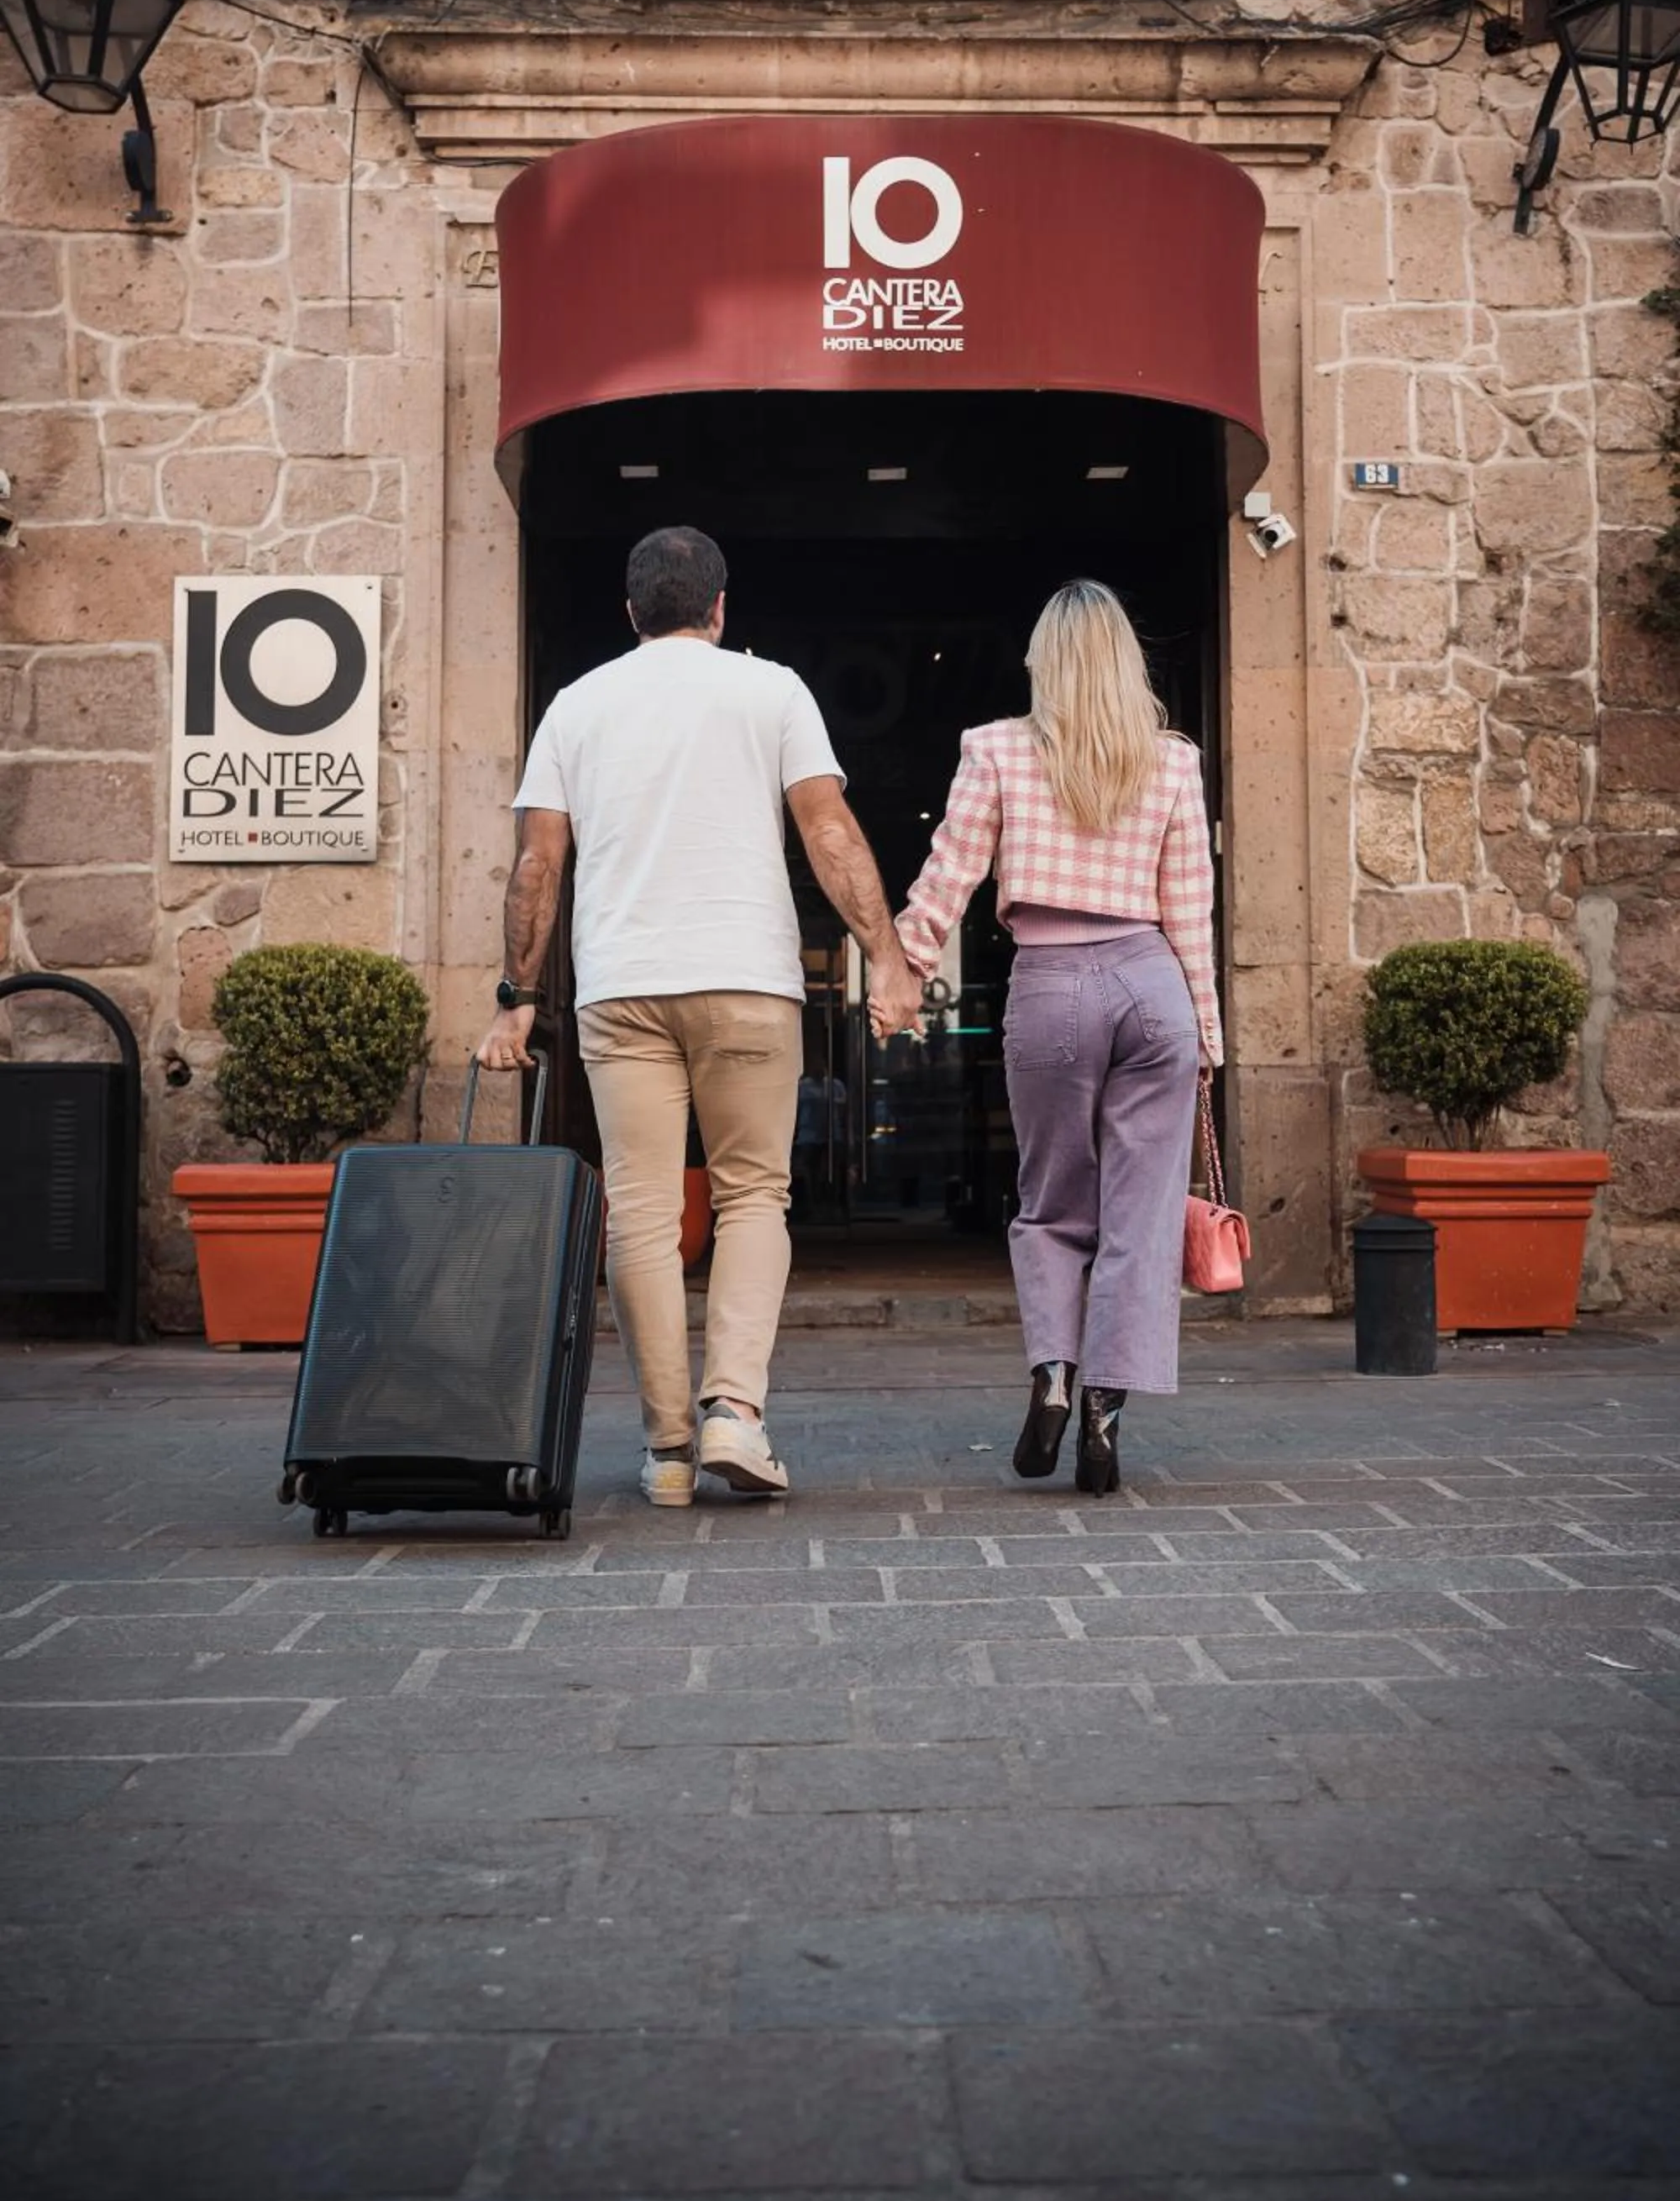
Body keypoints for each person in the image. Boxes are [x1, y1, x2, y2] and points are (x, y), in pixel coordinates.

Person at [475, 526, 923, 1508]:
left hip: (619, 988)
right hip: (746, 981)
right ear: (720, 609)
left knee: (638, 1210)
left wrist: (515, 1001)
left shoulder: (576, 706)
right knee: (751, 1196)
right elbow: (828, 831)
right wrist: (885, 958)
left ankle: (668, 1451)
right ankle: (735, 1415)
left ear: (629, 613)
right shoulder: (773, 690)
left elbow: (537, 866)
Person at [897, 578, 1221, 1496]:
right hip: (1152, 983)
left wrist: (904, 968)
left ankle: (1052, 1376)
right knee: (1140, 1217)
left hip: (1050, 985)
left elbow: (947, 875)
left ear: (1043, 661)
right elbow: (1189, 908)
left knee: (1049, 1205)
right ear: (1127, 663)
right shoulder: (1169, 762)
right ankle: (1106, 1418)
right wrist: (1205, 1030)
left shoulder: (995, 749)